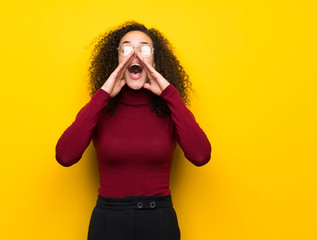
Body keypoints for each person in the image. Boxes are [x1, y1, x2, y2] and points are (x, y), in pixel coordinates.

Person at [55, 21, 211, 240]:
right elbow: (64, 155)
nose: (134, 55)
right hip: (109, 221)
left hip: (159, 222)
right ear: (117, 60)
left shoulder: (169, 109)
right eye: (126, 49)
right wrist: (103, 94)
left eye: (144, 49)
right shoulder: (100, 108)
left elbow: (201, 155)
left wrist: (169, 93)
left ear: (155, 61)